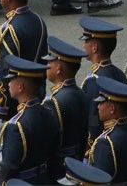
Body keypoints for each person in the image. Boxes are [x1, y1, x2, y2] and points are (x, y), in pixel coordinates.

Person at [0, 0, 48, 123]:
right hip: (36, 95)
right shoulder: (38, 21)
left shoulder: (10, 29)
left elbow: (5, 71)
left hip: (14, 103)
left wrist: (0, 109)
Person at [0, 56, 60, 184]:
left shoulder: (15, 126)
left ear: (20, 87)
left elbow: (9, 168)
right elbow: (54, 156)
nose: (8, 84)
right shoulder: (50, 113)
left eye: (11, 80)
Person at [42, 36, 90, 172]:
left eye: (50, 62)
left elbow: (48, 142)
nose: (47, 65)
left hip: (57, 167)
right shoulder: (81, 94)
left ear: (58, 68)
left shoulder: (54, 102)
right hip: (76, 162)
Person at [79, 17, 127, 142]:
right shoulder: (119, 73)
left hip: (102, 138)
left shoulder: (94, 81)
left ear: (94, 48)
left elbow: (93, 116)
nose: (83, 45)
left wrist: (91, 141)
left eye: (86, 42)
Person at [85, 76, 127, 183]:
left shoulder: (105, 142)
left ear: (112, 109)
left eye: (101, 103)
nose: (98, 107)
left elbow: (99, 181)